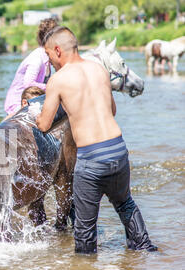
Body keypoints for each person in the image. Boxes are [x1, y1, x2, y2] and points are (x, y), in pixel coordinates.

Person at [35, 26, 157, 254]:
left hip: (91, 159)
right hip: (118, 150)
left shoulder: (58, 80)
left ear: (58, 50)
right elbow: (112, 109)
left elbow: (43, 125)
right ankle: (146, 254)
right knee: (125, 203)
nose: (49, 62)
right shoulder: (99, 69)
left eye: (49, 55)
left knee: (84, 229)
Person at [4, 18, 58, 117]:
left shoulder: (47, 57)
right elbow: (28, 83)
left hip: (33, 101)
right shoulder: (37, 59)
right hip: (18, 103)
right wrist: (51, 88)